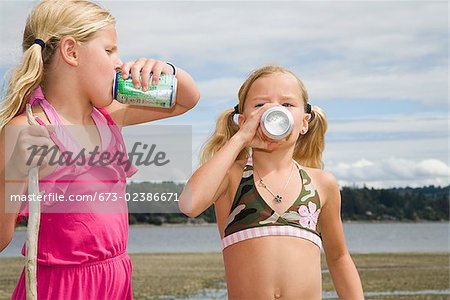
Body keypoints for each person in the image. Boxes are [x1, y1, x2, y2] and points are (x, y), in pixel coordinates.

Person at [0, 0, 200, 299]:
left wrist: (168, 70)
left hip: (116, 278)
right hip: (62, 286)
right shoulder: (27, 128)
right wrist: (13, 173)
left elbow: (187, 100)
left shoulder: (109, 116)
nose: (120, 62)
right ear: (71, 52)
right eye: (109, 50)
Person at [179, 65, 364, 299]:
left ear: (305, 121)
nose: (274, 111)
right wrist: (240, 139)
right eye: (260, 105)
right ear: (243, 120)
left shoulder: (321, 183)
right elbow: (189, 204)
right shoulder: (231, 176)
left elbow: (338, 258)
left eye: (287, 104)